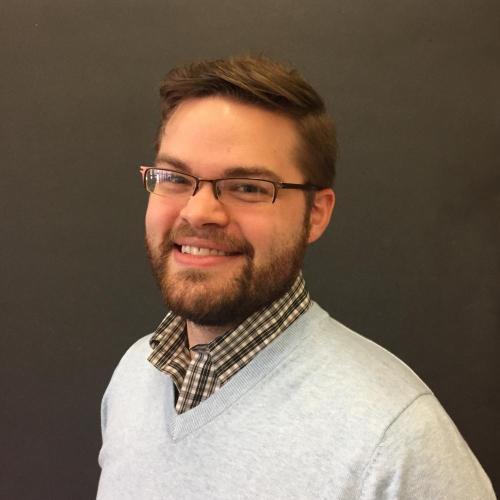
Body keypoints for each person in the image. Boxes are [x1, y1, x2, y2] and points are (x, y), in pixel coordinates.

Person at [97, 56, 495, 499]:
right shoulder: (134, 379)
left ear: (316, 215)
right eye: (174, 177)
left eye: (247, 186)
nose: (198, 212)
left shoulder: (394, 440)